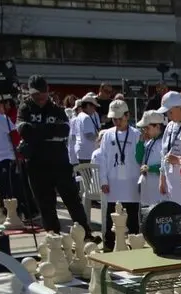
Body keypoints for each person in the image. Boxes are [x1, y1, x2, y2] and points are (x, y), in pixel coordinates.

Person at [16, 75, 93, 237]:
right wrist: (49, 131)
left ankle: (85, 233)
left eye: (44, 93)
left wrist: (37, 131)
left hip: (59, 161)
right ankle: (54, 237)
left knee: (72, 199)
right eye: (37, 94)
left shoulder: (56, 109)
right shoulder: (25, 109)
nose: (41, 97)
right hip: (36, 164)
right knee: (45, 203)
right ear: (30, 93)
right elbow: (23, 130)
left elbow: (64, 130)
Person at [96, 99, 141, 251]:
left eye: (120, 118)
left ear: (127, 116)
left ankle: (135, 246)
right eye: (114, 119)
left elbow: (141, 159)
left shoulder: (136, 134)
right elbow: (102, 159)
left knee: (133, 218)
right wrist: (103, 180)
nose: (117, 122)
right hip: (113, 183)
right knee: (111, 217)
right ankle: (109, 246)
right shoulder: (107, 135)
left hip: (131, 183)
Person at [159, 91, 181, 206]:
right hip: (170, 182)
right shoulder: (170, 126)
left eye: (170, 112)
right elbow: (163, 152)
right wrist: (162, 179)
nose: (168, 115)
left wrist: (177, 160)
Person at [135, 110, 166, 211]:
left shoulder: (163, 143)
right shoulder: (149, 142)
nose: (145, 131)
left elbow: (166, 165)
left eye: (147, 128)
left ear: (157, 126)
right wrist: (140, 142)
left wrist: (151, 168)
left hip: (157, 189)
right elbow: (139, 159)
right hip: (147, 188)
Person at [71, 95, 100, 165]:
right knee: (90, 175)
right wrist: (100, 140)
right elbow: (89, 135)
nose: (95, 109)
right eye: (94, 106)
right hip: (88, 153)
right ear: (88, 106)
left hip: (81, 152)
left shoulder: (80, 115)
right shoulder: (86, 117)